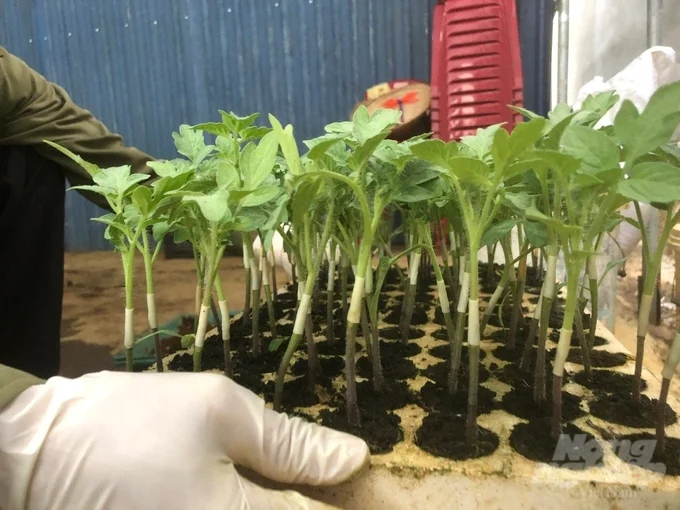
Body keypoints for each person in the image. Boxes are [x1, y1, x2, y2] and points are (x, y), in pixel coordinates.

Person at [0, 47, 369, 508]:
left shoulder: (7, 79)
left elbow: (111, 165)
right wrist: (20, 435)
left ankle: (31, 383)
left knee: (29, 155)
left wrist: (256, 230)